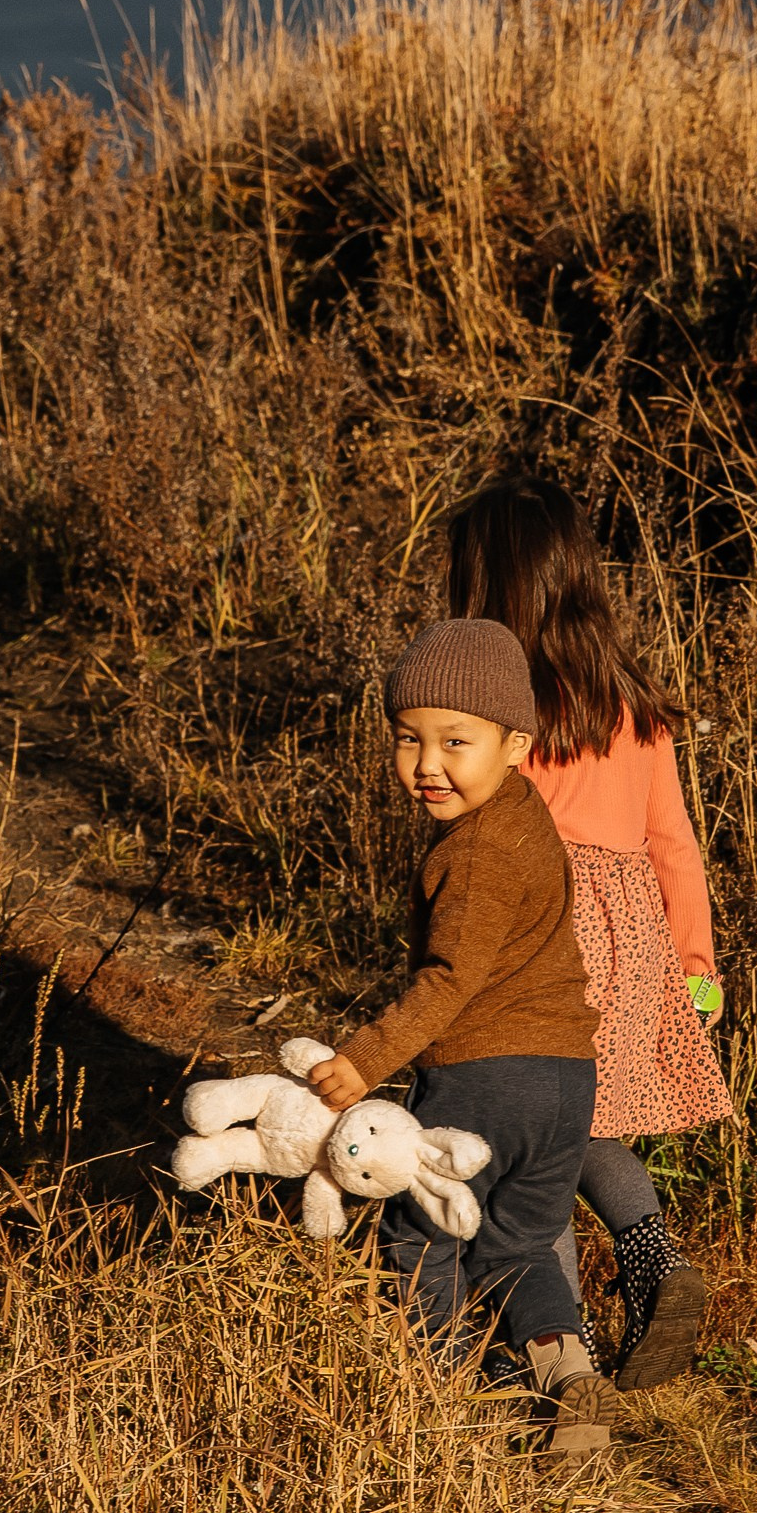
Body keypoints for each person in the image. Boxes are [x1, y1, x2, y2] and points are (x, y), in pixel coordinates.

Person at [306, 616, 622, 1459]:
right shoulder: (526, 815)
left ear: (516, 743)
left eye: (455, 741)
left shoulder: (475, 854)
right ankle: (564, 1371)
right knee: (518, 1243)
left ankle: (454, 1398)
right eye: (407, 740)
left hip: (486, 1074)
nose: (426, 764)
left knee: (423, 1238)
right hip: (565, 1081)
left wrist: (365, 1058)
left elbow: (449, 980)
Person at [446, 478, 732, 1386]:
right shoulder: (633, 700)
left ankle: (553, 1356)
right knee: (585, 1122)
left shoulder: (501, 708)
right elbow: (674, 844)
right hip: (636, 934)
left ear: (491, 585)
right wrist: (695, 966)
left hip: (540, 927)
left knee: (527, 1141)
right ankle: (652, 1258)